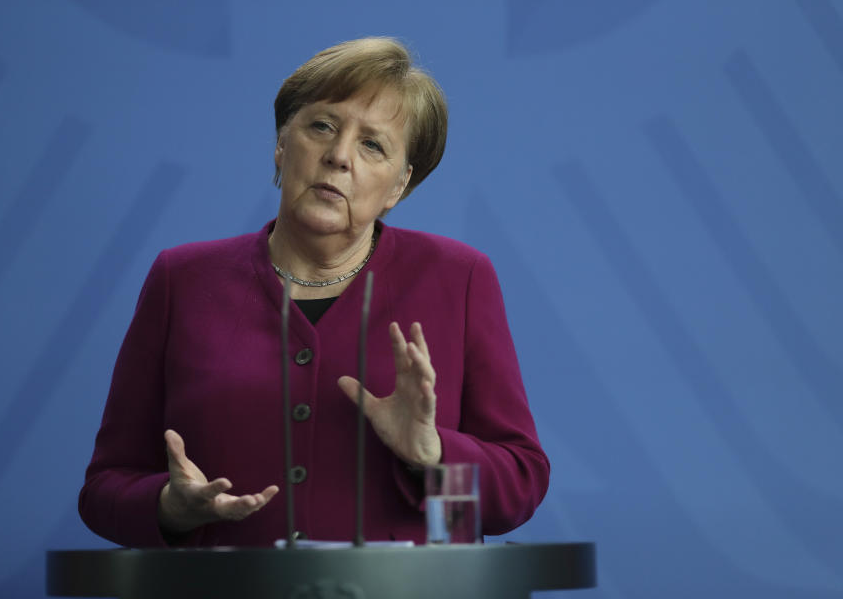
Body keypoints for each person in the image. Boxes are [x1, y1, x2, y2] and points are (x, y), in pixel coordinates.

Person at [79, 37, 549, 547]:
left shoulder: (459, 278)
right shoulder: (182, 279)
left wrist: (432, 454)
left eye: (373, 145)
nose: (339, 156)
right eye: (322, 126)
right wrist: (169, 506)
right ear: (283, 144)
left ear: (399, 186)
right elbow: (106, 488)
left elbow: (521, 482)